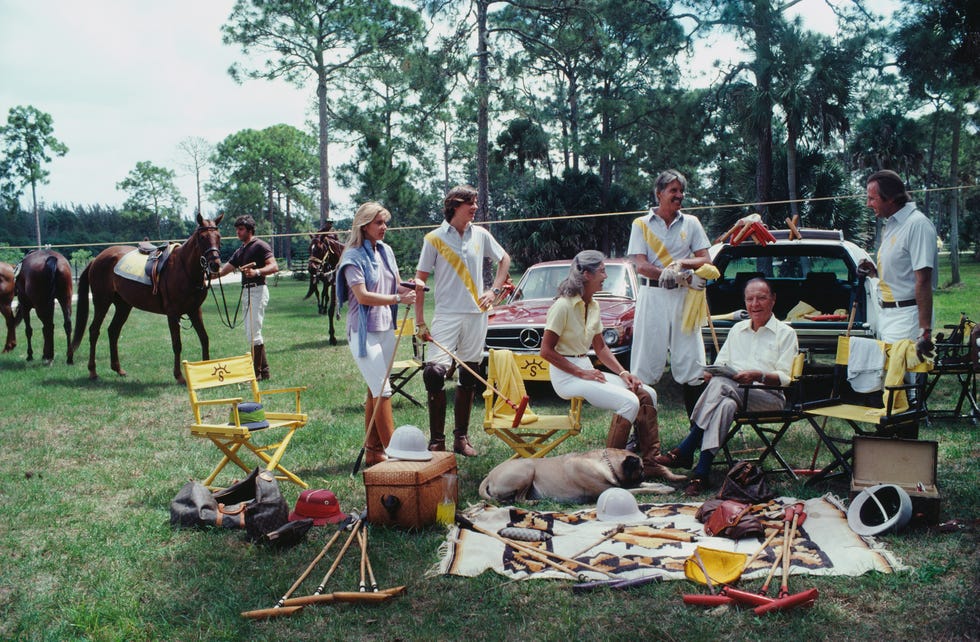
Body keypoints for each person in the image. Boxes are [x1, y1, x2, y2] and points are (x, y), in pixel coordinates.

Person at [540, 251, 685, 483]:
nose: (605, 275)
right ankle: (608, 471)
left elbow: (601, 348)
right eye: (602, 271)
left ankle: (650, 464)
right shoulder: (563, 307)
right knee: (628, 402)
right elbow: (546, 351)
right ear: (586, 274)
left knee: (648, 394)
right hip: (566, 376)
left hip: (585, 368)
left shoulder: (594, 305)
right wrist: (581, 372)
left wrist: (624, 373)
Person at [655, 278, 798, 495]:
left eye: (761, 298)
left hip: (769, 398)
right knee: (726, 405)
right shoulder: (737, 330)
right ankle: (701, 474)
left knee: (723, 384)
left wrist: (757, 375)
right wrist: (709, 373)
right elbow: (721, 364)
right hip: (734, 395)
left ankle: (687, 447)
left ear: (773, 299)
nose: (755, 304)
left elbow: (786, 378)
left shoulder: (786, 333)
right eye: (750, 299)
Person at [414, 185, 511, 456]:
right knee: (434, 374)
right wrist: (419, 321)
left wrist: (494, 290)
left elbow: (504, 259)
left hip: (476, 315)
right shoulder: (433, 238)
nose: (476, 207)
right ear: (455, 205)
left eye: (476, 202)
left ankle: (461, 439)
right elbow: (420, 280)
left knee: (469, 374)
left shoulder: (480, 234)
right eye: (471, 202)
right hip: (446, 315)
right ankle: (436, 441)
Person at [336, 202, 417, 467]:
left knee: (375, 388)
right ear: (364, 225)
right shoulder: (351, 258)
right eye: (379, 223)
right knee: (383, 389)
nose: (384, 228)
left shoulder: (386, 251)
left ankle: (373, 451)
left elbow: (395, 282)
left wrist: (412, 287)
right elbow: (362, 296)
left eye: (385, 222)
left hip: (385, 327)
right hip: (362, 332)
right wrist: (397, 297)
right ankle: (395, 452)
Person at [627, 169, 712, 415]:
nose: (679, 195)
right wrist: (667, 273)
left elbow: (705, 259)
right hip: (652, 296)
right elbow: (641, 265)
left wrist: (681, 267)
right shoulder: (641, 224)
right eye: (673, 190)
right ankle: (640, 432)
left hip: (684, 295)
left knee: (692, 359)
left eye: (681, 191)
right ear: (659, 194)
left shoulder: (691, 223)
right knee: (645, 359)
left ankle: (698, 429)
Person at [859, 170, 937, 359]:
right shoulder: (893, 224)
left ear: (891, 199)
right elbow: (903, 274)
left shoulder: (917, 224)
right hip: (888, 315)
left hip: (907, 317)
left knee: (900, 383)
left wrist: (924, 331)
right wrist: (874, 274)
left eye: (872, 199)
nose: (868, 204)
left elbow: (923, 280)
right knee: (892, 381)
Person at [217, 215, 278, 380]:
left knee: (254, 333)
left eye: (241, 229)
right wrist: (206, 277)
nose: (238, 232)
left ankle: (256, 374)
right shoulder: (241, 250)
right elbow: (223, 270)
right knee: (251, 333)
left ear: (250, 230)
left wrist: (257, 272)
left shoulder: (260, 246)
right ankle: (264, 372)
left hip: (258, 290)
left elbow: (274, 266)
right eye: (237, 229)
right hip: (247, 291)